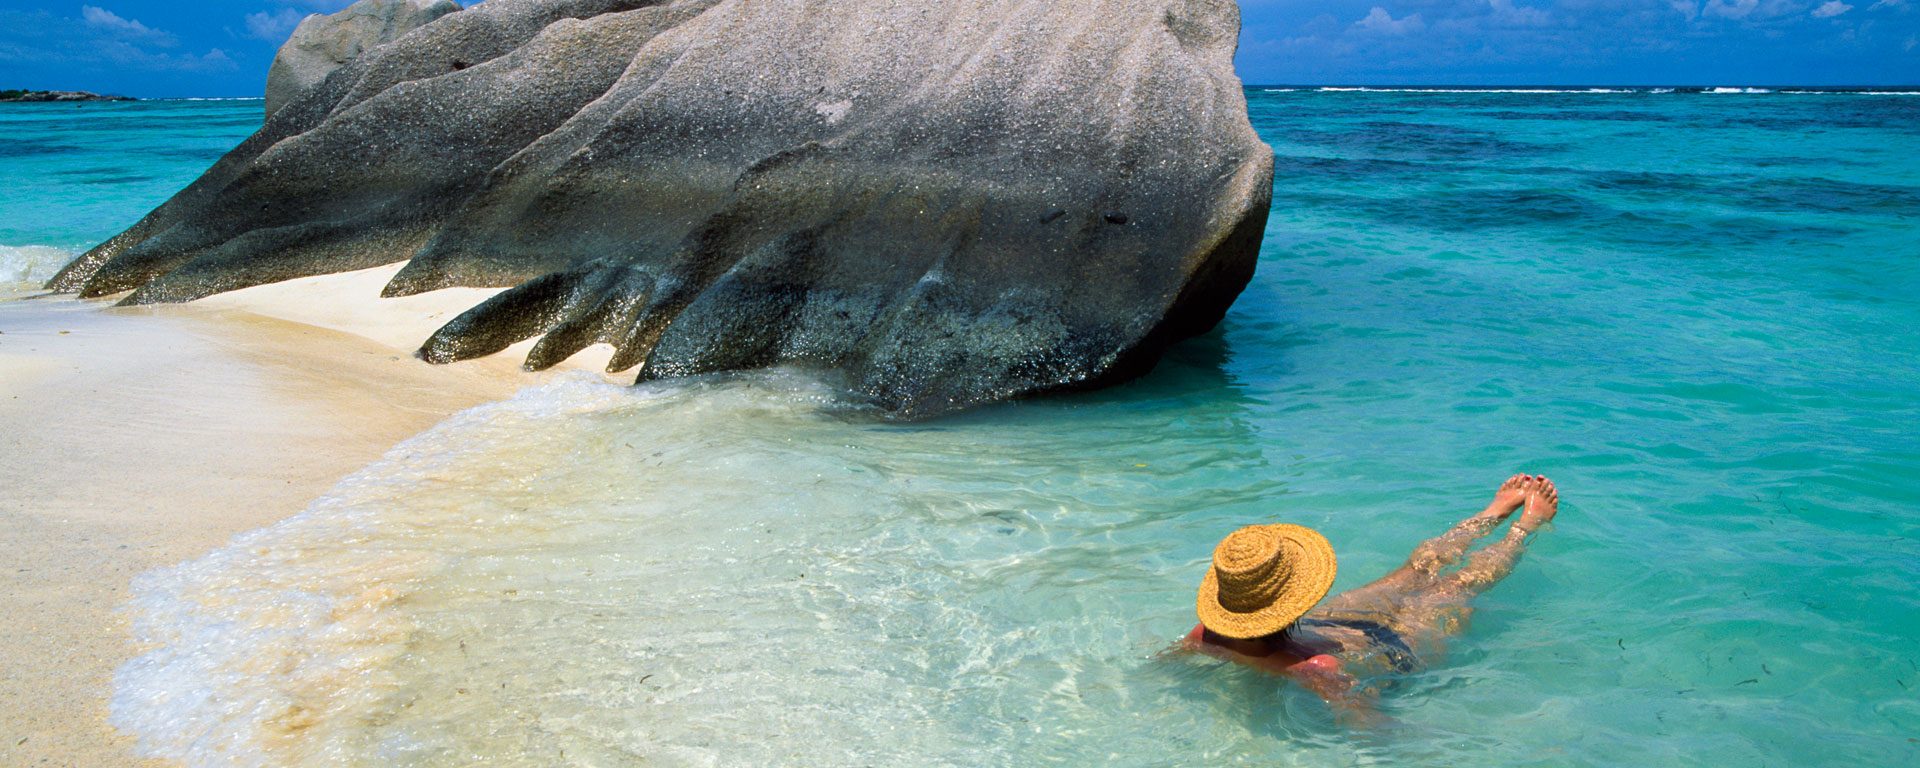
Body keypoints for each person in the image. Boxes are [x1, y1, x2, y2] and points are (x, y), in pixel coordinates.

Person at [1179, 474, 1559, 722]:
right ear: (1294, 597)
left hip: (1331, 624)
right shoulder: (1317, 668)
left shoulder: (1202, 636)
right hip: (1394, 647)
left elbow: (1162, 669)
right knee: (1451, 585)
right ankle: (1524, 527)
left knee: (1418, 572)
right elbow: (1373, 726)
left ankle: (1495, 514)